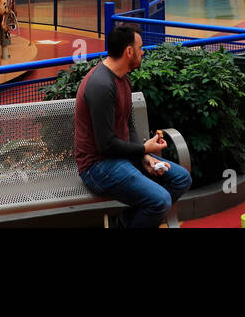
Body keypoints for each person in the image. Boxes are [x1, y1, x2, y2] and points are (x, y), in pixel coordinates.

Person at [75, 23, 191, 228]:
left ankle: (125, 223)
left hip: (120, 156)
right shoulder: (101, 85)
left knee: (181, 179)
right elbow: (106, 145)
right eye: (140, 48)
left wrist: (144, 156)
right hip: (97, 166)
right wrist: (145, 148)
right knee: (160, 200)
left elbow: (127, 122)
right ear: (129, 51)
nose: (143, 52)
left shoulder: (123, 78)